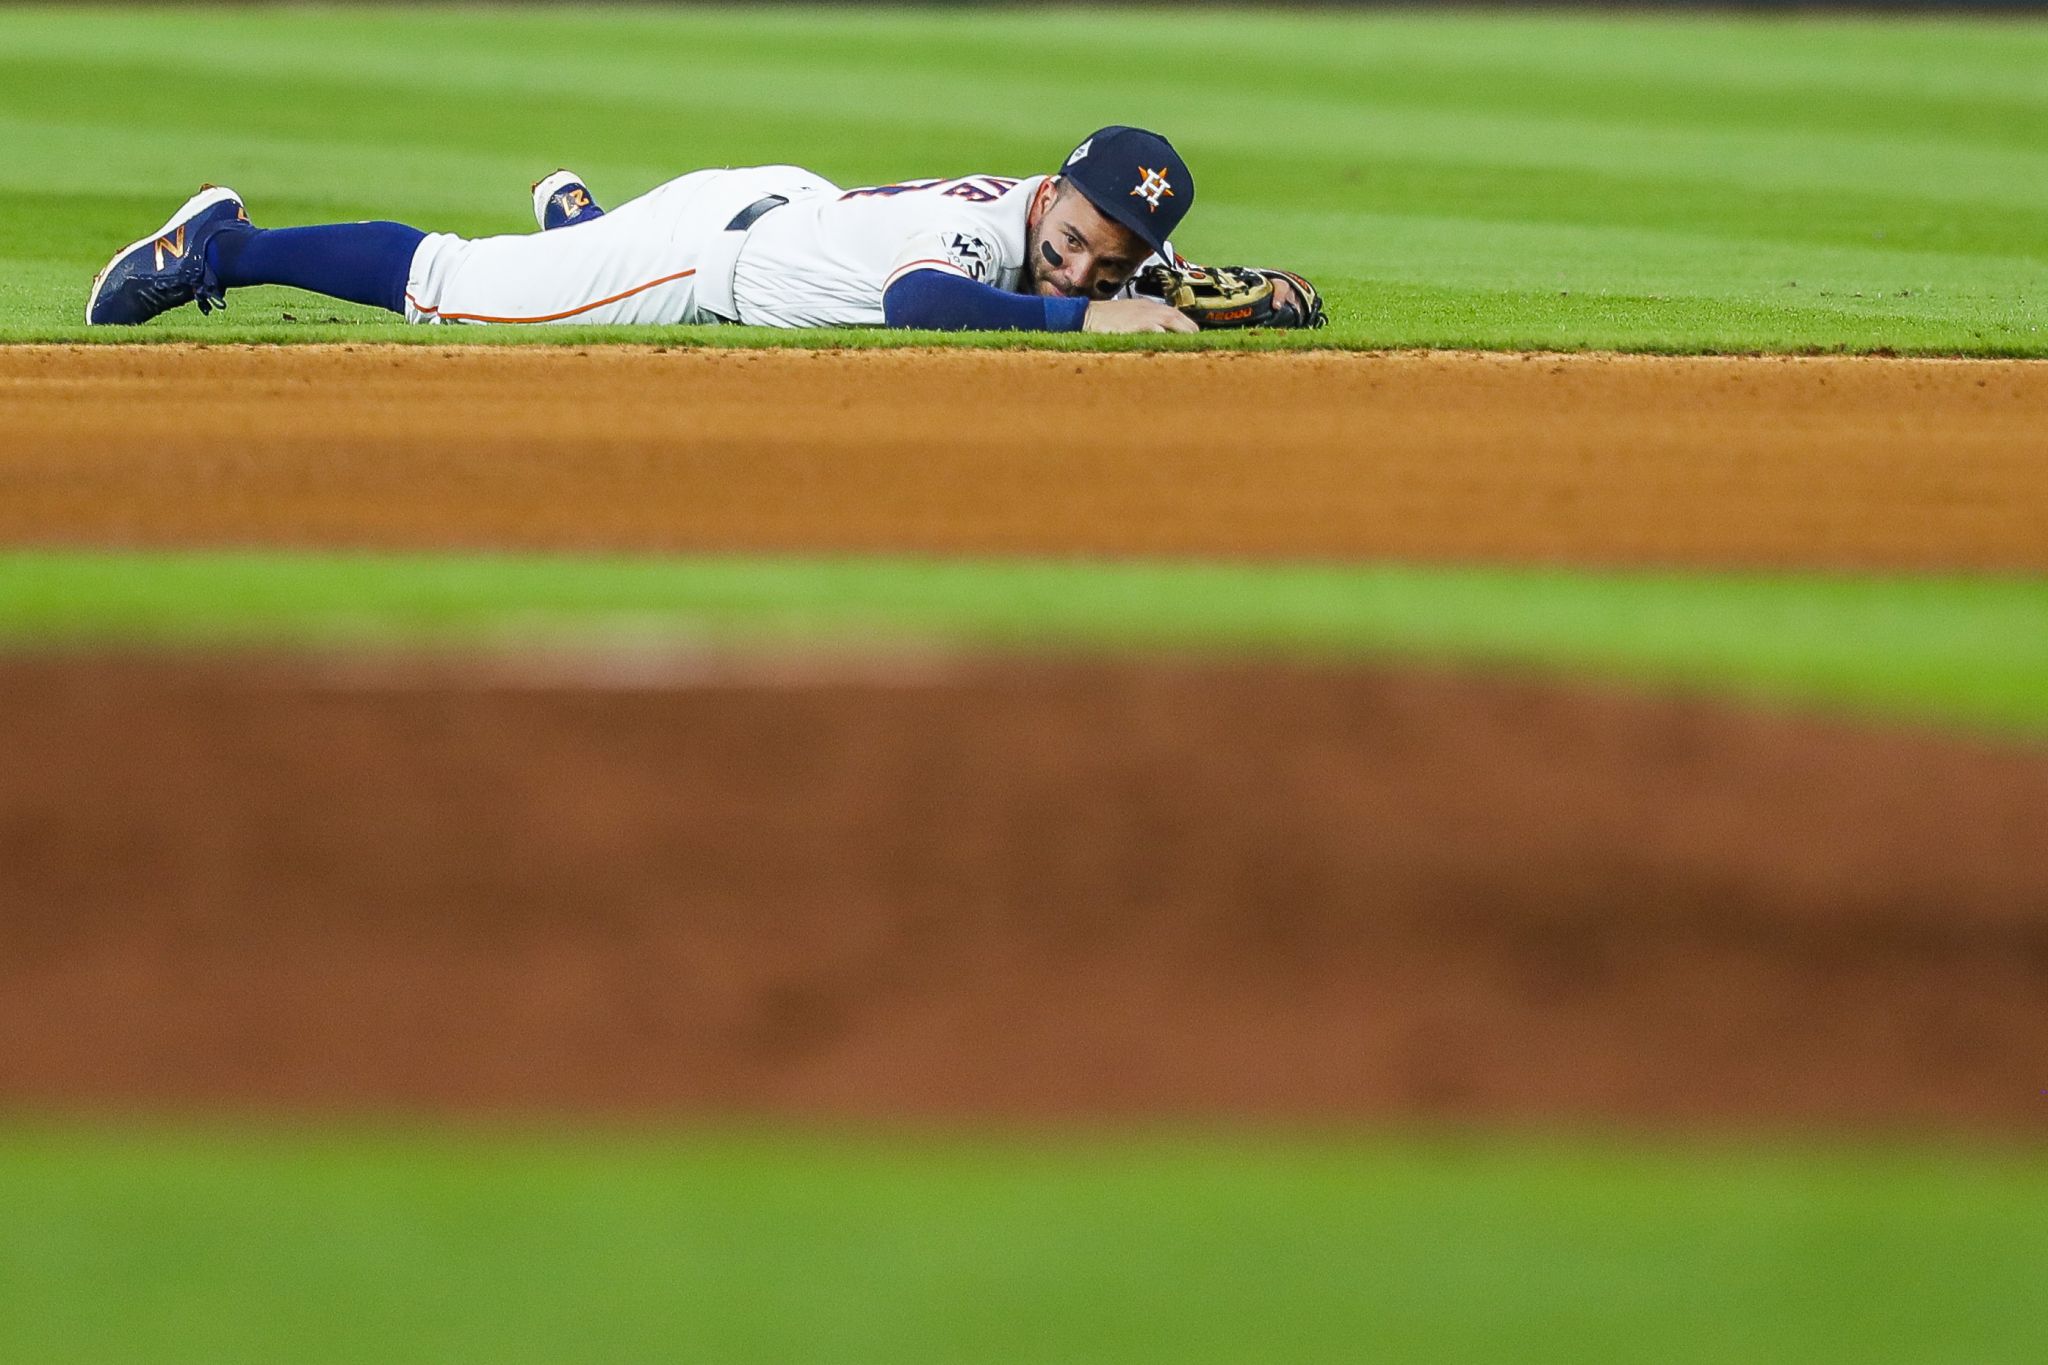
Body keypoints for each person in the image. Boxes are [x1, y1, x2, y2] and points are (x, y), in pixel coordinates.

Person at [89, 125, 1231, 335]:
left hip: (787, 205)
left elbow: (1141, 258)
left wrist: (1235, 294)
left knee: (560, 259)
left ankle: (580, 229)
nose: (1079, 262)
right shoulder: (994, 241)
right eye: (1075, 236)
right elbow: (915, 304)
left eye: (1113, 259)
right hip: (706, 257)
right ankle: (220, 245)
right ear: (1048, 193)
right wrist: (1083, 315)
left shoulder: (1070, 215)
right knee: (453, 285)